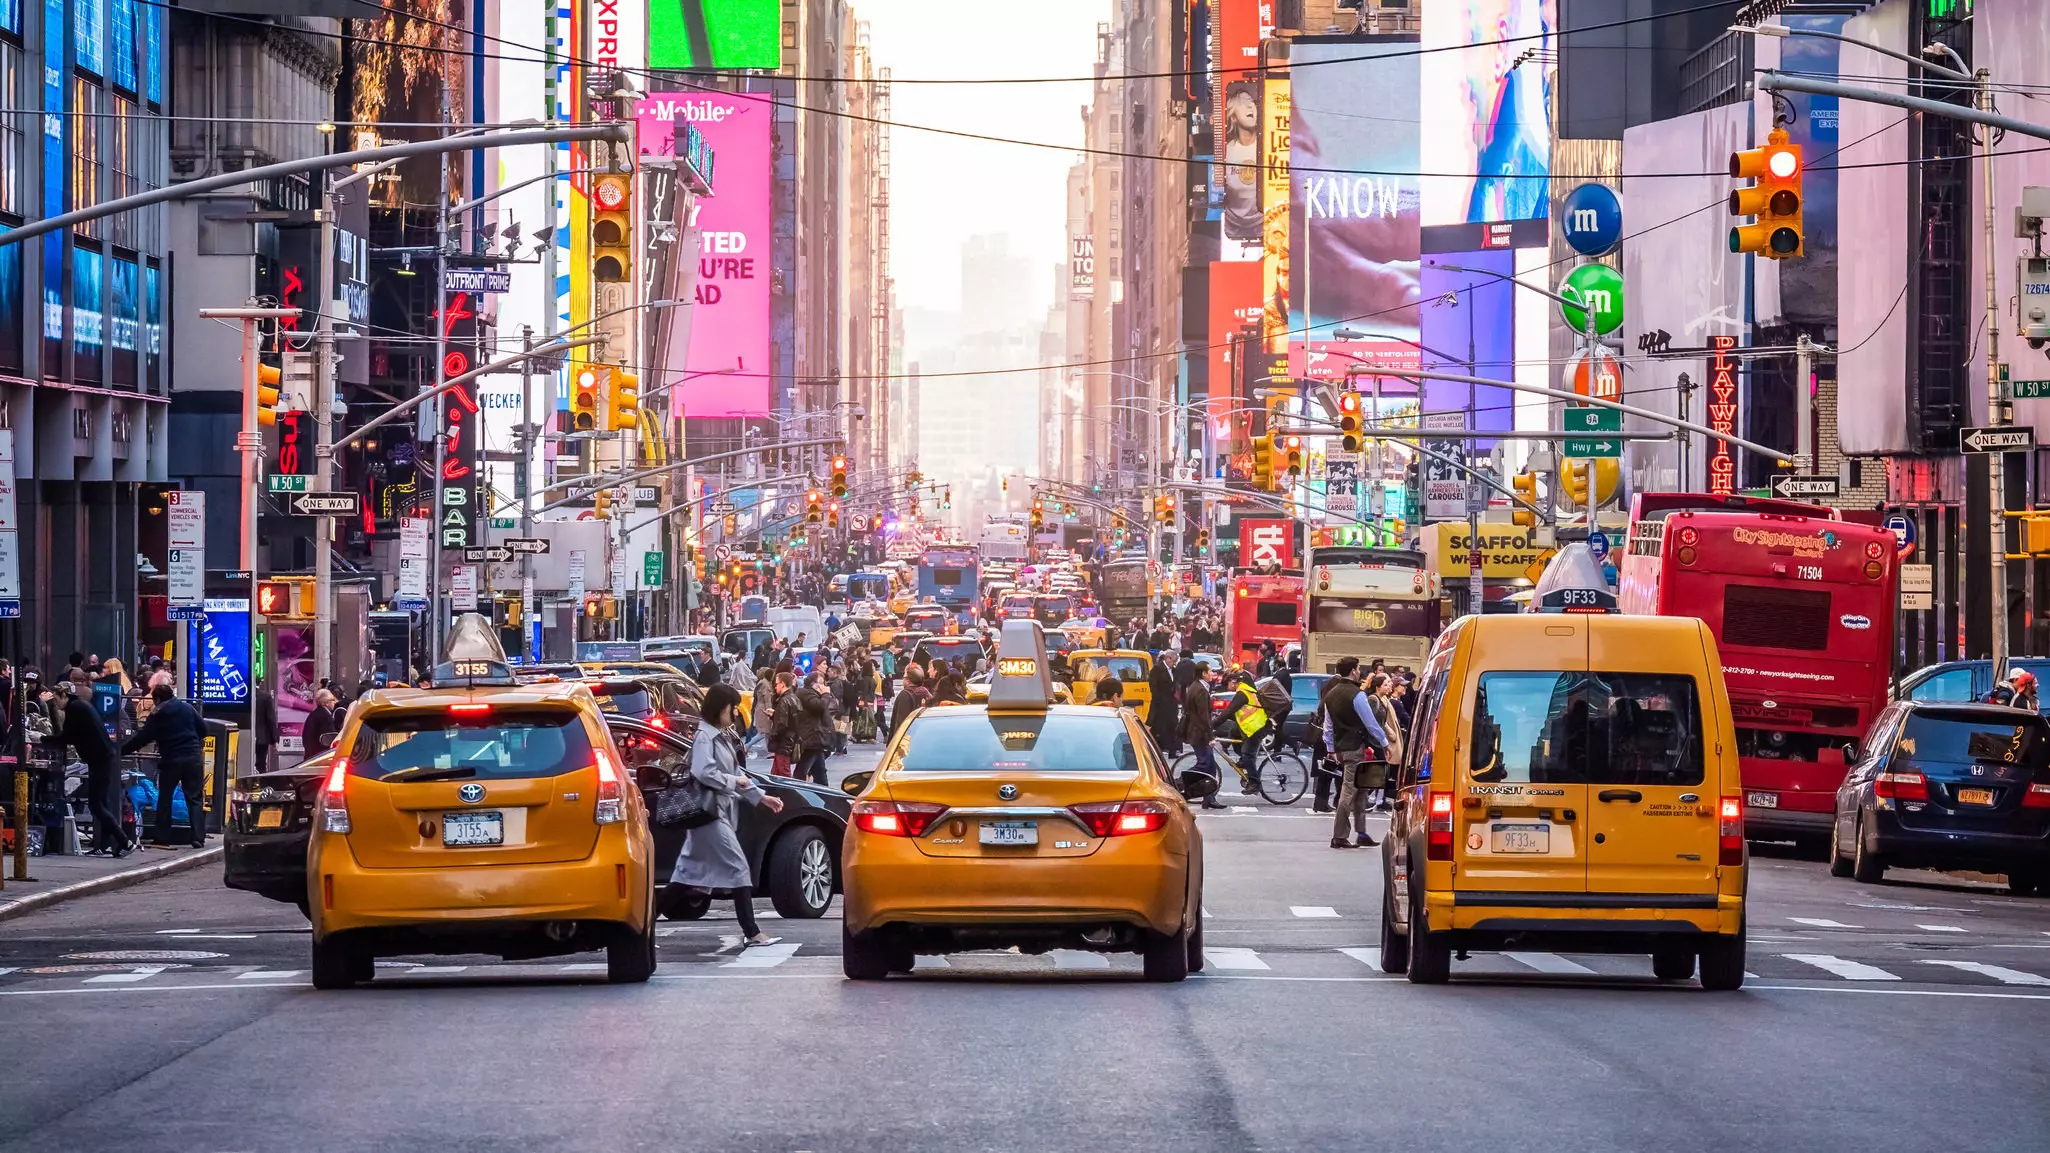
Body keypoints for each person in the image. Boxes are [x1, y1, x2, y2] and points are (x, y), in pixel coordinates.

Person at [666, 684, 785, 949]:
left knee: (686, 874)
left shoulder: (719, 735)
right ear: (722, 708)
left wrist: (760, 796)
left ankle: (639, 925)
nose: (735, 714)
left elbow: (735, 774)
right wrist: (735, 781)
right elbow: (704, 772)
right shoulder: (706, 737)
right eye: (733, 709)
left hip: (714, 812)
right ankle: (752, 932)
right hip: (710, 814)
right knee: (738, 867)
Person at [122, 683, 212, 850]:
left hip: (171, 760)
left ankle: (163, 838)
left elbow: (142, 738)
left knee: (165, 798)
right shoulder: (188, 708)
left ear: (157, 699)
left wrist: (121, 751)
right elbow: (204, 729)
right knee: (194, 798)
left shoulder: (158, 715)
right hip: (193, 758)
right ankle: (198, 838)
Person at [1323, 658, 1391, 849]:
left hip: (1341, 747)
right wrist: (1385, 743)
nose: (1360, 671)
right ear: (1353, 671)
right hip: (1355, 747)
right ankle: (1339, 836)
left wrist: (1330, 749)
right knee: (1349, 790)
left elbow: (1328, 726)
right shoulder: (1357, 695)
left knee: (1361, 788)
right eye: (1359, 668)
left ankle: (1362, 833)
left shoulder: (1331, 694)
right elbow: (1371, 724)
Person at [57, 681, 127, 857]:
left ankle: (124, 840)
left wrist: (45, 740)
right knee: (102, 803)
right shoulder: (81, 706)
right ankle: (105, 846)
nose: (55, 704)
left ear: (64, 696)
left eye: (56, 699)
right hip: (102, 756)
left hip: (99, 758)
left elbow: (67, 736)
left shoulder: (74, 709)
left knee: (96, 804)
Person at [1181, 665, 1226, 810]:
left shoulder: (1196, 686)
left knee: (1210, 767)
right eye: (1210, 671)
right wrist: (1210, 736)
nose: (1213, 673)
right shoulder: (1200, 690)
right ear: (1203, 673)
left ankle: (1209, 799)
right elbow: (1203, 717)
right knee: (1204, 764)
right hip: (1199, 733)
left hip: (1198, 731)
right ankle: (1177, 782)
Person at [1364, 673, 1406, 813]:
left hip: (1380, 740)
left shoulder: (1383, 700)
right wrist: (1386, 733)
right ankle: (1369, 798)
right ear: (1378, 687)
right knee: (1377, 769)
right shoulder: (1373, 699)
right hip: (1373, 741)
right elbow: (1372, 722)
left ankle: (1378, 799)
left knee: (1383, 769)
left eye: (1389, 684)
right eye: (1386, 684)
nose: (1389, 687)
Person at [792, 672, 833, 786]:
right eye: (820, 683)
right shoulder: (806, 693)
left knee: (820, 771)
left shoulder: (810, 694)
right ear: (813, 684)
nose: (823, 685)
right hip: (811, 737)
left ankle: (824, 792)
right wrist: (825, 694)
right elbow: (819, 706)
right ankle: (796, 791)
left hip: (816, 737)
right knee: (802, 770)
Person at [1147, 650, 1181, 756]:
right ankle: (1151, 749)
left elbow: (1175, 685)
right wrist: (1160, 700)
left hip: (1171, 704)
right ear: (1167, 658)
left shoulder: (1174, 671)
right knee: (1157, 727)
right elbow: (1153, 686)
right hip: (1160, 705)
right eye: (1173, 661)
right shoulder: (1157, 670)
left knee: (1172, 726)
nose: (1174, 663)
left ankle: (1172, 750)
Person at [890, 666, 930, 738]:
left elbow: (901, 721)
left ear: (908, 680)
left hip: (908, 738)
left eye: (904, 677)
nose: (903, 679)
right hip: (924, 735)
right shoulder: (926, 693)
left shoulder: (905, 694)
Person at [252, 682, 280, 773]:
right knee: (261, 764)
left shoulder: (241, 696)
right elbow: (270, 719)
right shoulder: (265, 697)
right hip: (261, 737)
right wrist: (275, 739)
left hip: (245, 735)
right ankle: (260, 784)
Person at [304, 689, 340, 755]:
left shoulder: (314, 714)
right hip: (320, 755)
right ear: (326, 703)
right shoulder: (325, 716)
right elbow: (329, 739)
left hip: (310, 755)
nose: (334, 702)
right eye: (332, 700)